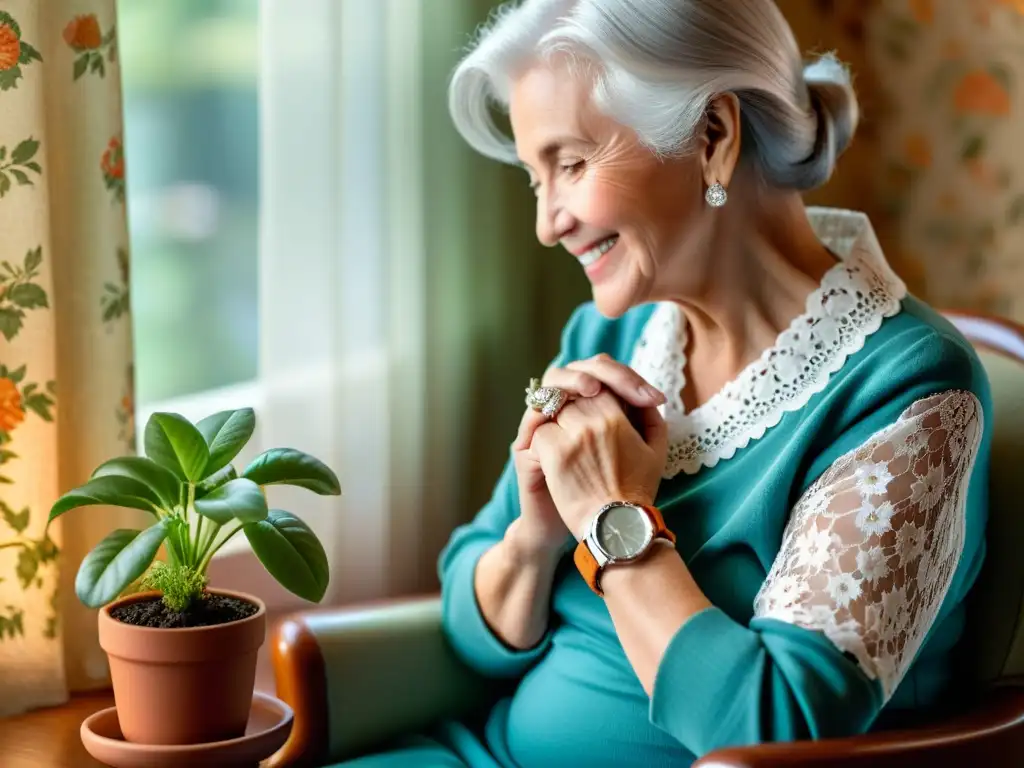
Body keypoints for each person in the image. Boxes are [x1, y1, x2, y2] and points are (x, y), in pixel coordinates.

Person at [341, 0, 991, 765]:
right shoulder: (613, 336)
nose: (548, 223)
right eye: (533, 178)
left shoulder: (908, 391)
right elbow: (469, 618)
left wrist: (614, 518)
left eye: (573, 163)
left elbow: (775, 727)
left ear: (712, 137)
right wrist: (537, 538)